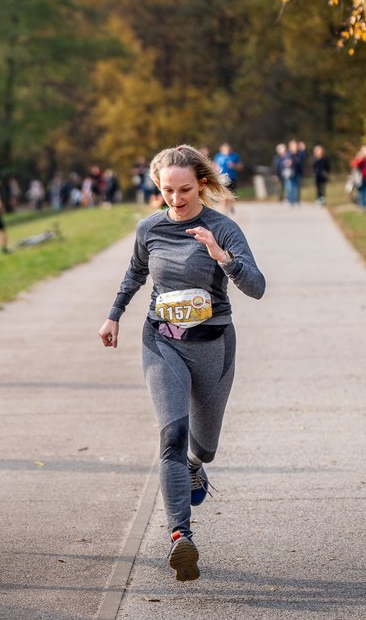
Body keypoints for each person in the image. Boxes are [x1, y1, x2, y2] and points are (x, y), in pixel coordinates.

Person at [97, 145, 265, 582]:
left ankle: (196, 466)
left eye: (185, 189)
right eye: (167, 190)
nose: (176, 198)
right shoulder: (149, 228)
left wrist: (219, 255)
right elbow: (135, 272)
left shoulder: (222, 228)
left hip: (213, 345)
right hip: (162, 340)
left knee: (203, 445)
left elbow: (257, 286)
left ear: (203, 184)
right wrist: (114, 314)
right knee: (172, 432)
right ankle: (180, 537)